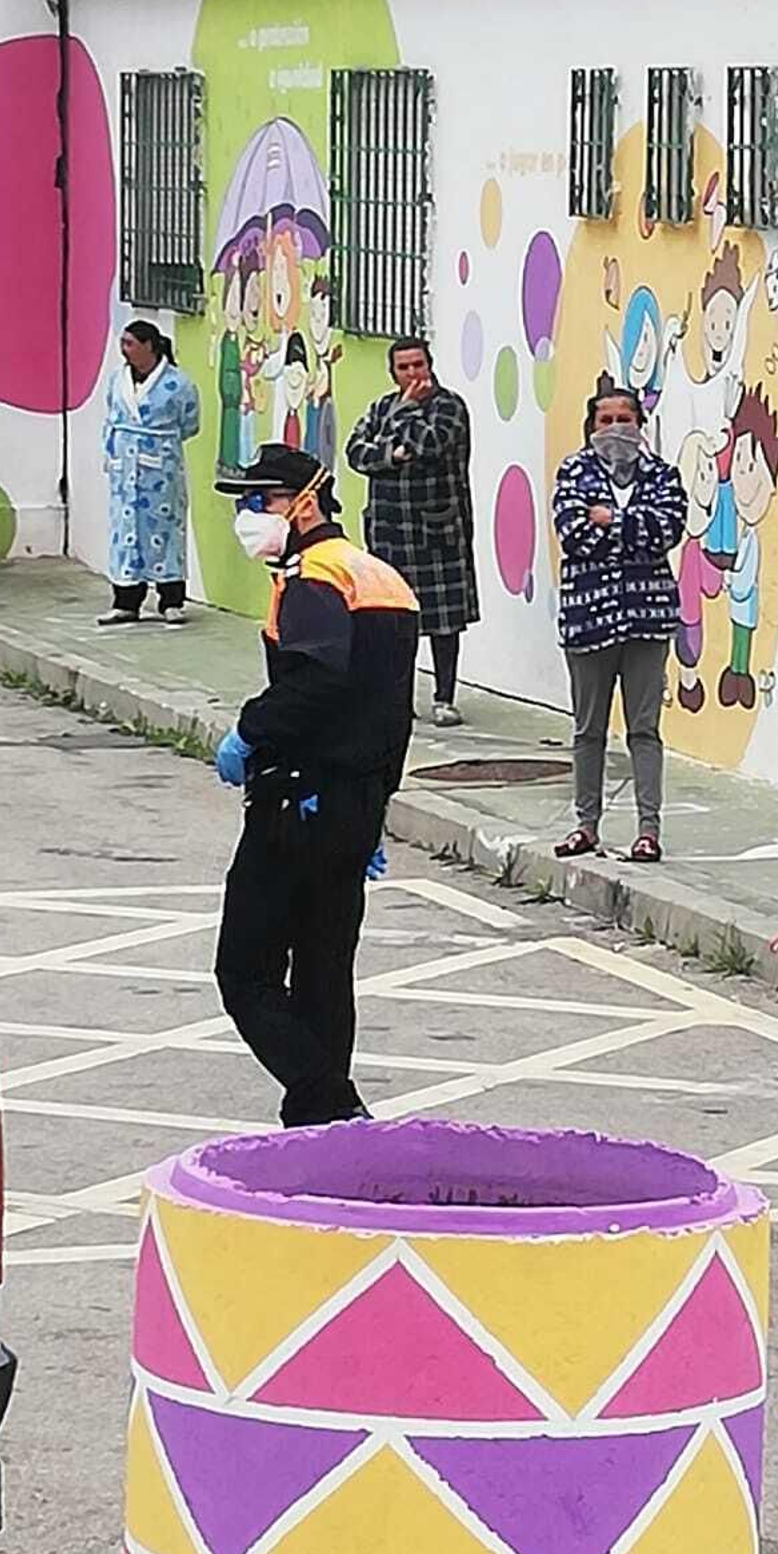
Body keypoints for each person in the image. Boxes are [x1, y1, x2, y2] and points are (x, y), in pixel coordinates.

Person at [212, 444, 419, 1126]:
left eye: (261, 500)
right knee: (324, 970)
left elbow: (316, 682)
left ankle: (332, 1104)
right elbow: (393, 712)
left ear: (304, 504)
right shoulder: (381, 577)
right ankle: (322, 1127)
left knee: (245, 972)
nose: (248, 514)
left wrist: (249, 731)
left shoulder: (313, 577)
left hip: (297, 800)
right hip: (354, 802)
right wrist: (375, 809)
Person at [552, 385, 687, 863]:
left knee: (644, 729)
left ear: (640, 424)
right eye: (605, 420)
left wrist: (612, 519)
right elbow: (574, 536)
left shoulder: (663, 475)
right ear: (591, 427)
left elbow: (667, 531)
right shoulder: (573, 472)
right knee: (588, 729)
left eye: (624, 419)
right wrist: (633, 527)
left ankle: (649, 830)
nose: (615, 429)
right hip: (589, 619)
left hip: (648, 619)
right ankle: (585, 825)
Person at [346, 338, 479, 728]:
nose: (412, 373)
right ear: (393, 372)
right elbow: (356, 452)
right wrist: (393, 454)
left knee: (444, 621)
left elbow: (431, 444)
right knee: (394, 621)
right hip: (389, 530)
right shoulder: (380, 407)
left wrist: (406, 415)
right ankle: (398, 698)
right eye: (403, 367)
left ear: (430, 365)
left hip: (437, 529)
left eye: (418, 364)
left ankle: (444, 697)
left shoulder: (449, 407)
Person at [100, 321, 201, 626]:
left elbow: (190, 423)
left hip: (161, 471)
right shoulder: (117, 380)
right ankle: (126, 602)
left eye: (130, 343)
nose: (124, 349)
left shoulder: (178, 383)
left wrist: (159, 446)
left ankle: (171, 601)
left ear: (149, 346)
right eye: (123, 342)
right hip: (124, 470)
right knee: (125, 532)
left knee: (165, 532)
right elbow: (112, 413)